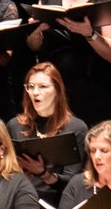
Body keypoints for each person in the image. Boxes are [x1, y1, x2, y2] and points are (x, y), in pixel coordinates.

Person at [7, 64, 88, 200]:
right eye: (30, 87)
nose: (35, 92)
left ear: (57, 90)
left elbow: (74, 182)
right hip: (21, 199)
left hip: (58, 200)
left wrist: (44, 174)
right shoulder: (15, 125)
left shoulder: (76, 128)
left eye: (42, 87)